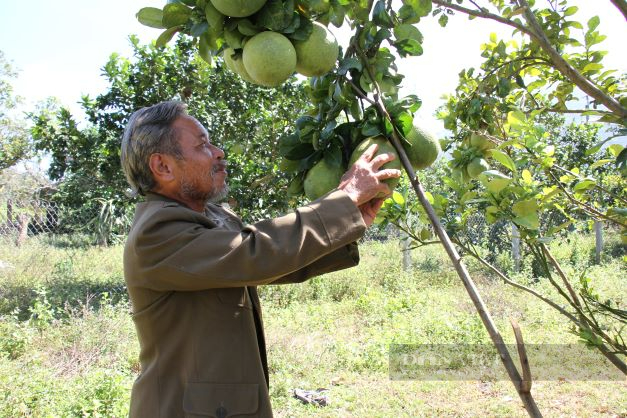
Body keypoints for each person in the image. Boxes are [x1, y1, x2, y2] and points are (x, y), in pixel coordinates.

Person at [120, 100, 401, 418]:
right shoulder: (157, 232)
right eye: (202, 145)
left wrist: (350, 224)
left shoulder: (210, 216)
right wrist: (345, 199)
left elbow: (267, 263)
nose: (218, 152)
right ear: (163, 167)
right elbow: (256, 252)